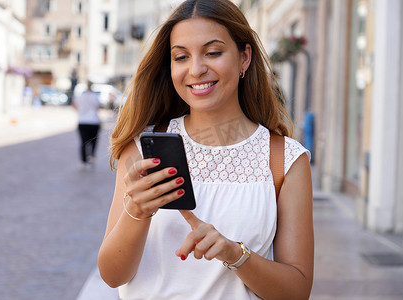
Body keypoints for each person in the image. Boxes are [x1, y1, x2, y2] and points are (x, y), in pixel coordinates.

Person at [98, 0, 314, 299]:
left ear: (244, 58)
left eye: (213, 53)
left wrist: (235, 254)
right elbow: (112, 276)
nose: (196, 69)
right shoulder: (142, 150)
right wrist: (136, 212)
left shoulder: (285, 160)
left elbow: (297, 290)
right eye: (181, 57)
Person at [72, 81, 101, 169]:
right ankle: (91, 156)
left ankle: (83, 161)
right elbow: (98, 106)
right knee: (93, 141)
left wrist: (80, 111)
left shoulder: (79, 96)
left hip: (82, 121)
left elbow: (73, 104)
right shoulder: (95, 96)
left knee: (83, 142)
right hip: (94, 121)